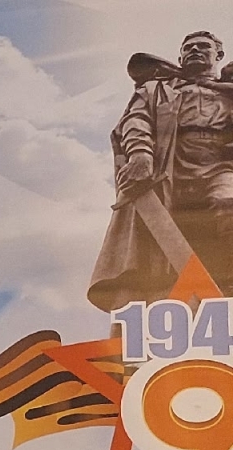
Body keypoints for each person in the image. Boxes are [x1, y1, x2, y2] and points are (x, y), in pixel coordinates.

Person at [91, 30, 233, 308]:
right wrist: (140, 153)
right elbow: (136, 121)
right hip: (169, 165)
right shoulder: (156, 89)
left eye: (202, 46)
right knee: (162, 235)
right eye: (188, 48)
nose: (194, 50)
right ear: (180, 58)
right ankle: (169, 298)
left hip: (220, 164)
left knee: (228, 203)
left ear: (219, 55)